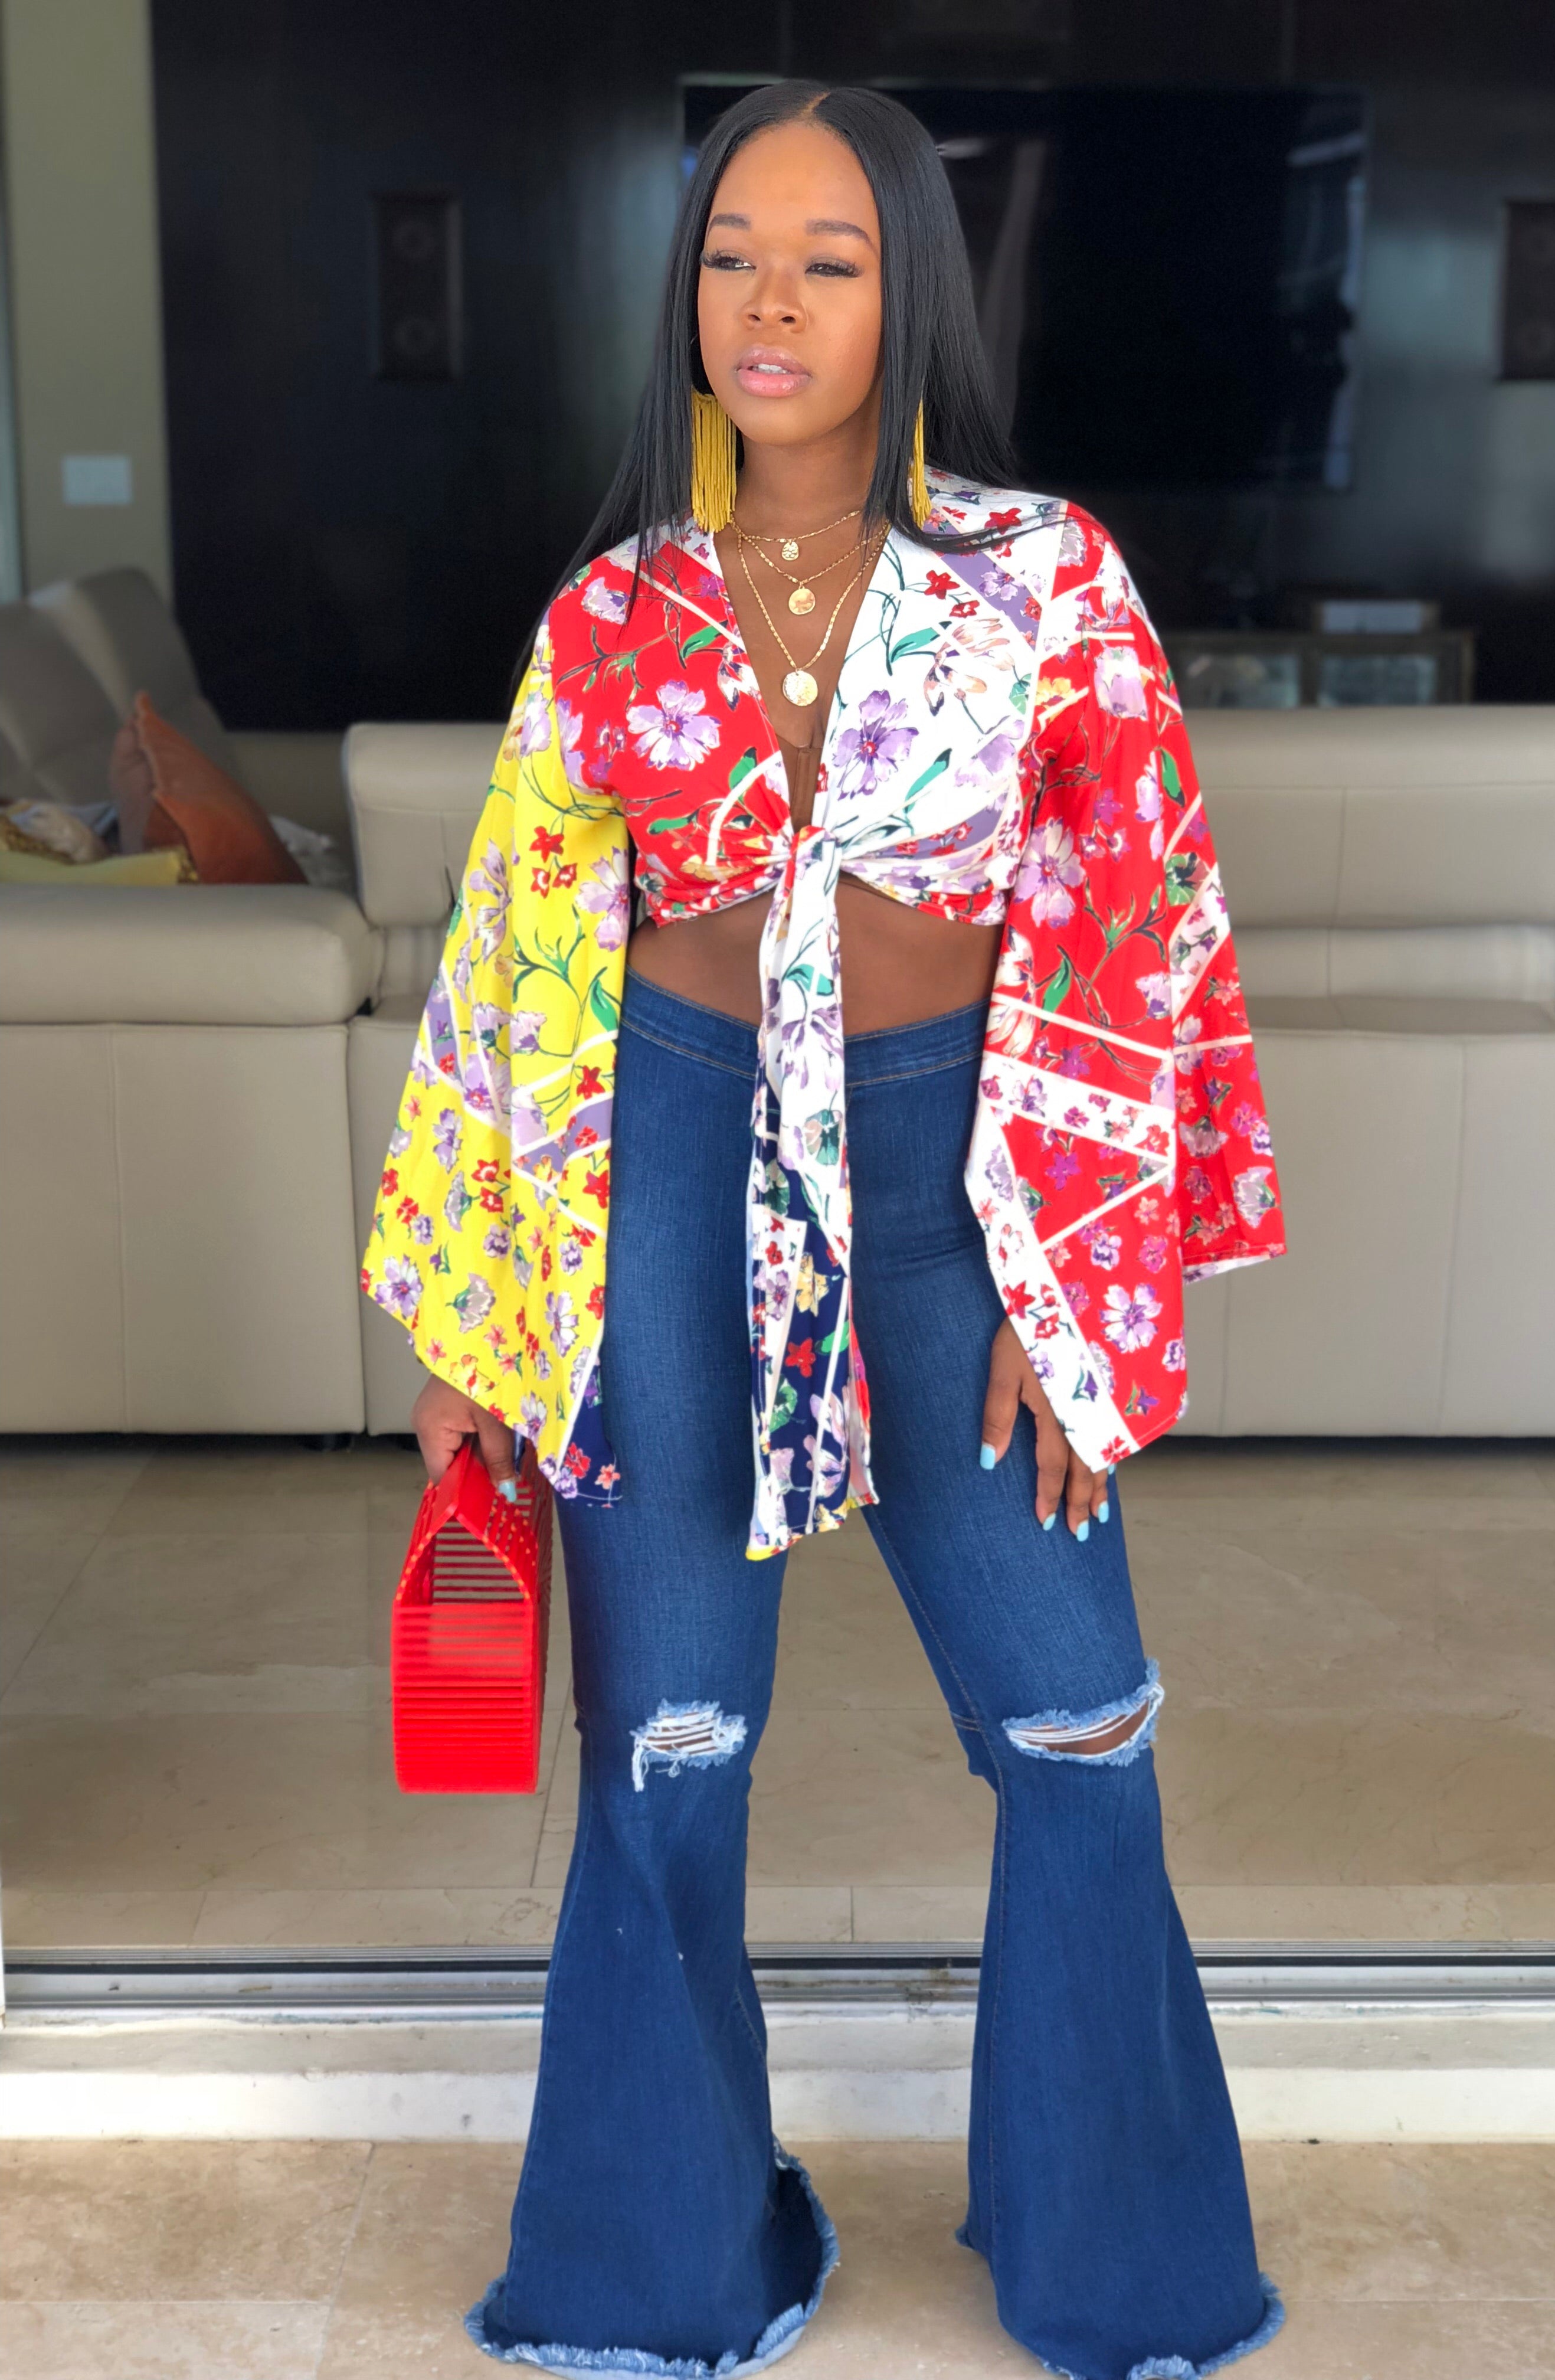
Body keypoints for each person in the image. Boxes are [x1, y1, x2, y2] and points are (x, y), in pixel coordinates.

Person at [364, 77, 1288, 2380]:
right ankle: (664, 2271)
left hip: (965, 1188)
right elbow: (516, 968)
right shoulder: (616, 611)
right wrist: (475, 1331)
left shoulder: (1044, 579)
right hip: (672, 1183)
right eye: (732, 256)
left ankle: (1115, 2262)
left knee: (1077, 1726)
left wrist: (1079, 1285)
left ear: (910, 298)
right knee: (669, 1745)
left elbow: (1134, 920)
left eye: (829, 260)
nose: (768, 304)